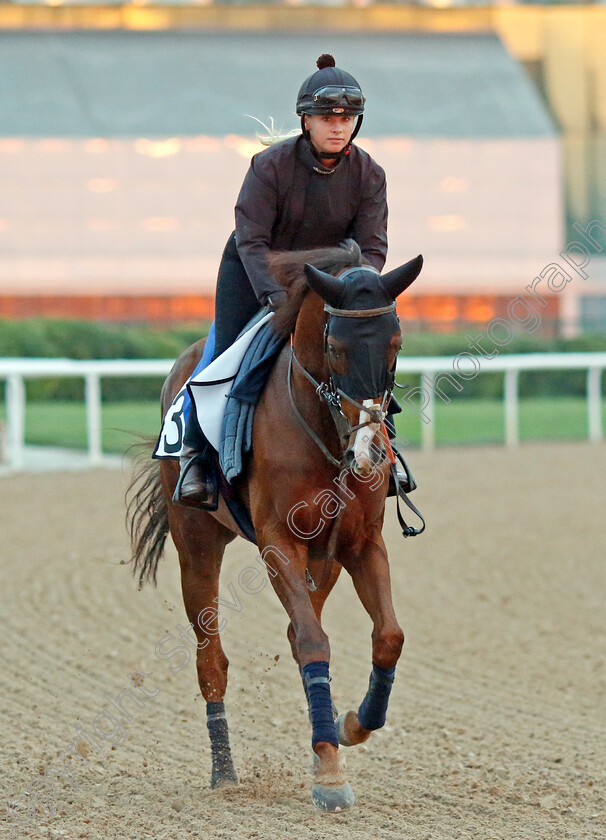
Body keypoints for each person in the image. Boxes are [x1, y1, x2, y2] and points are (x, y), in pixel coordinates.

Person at [175, 54, 397, 507]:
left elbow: (372, 247)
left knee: (369, 351)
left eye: (348, 118)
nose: (338, 126)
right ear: (306, 120)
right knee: (224, 351)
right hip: (254, 272)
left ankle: (384, 450)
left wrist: (360, 293)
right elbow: (251, 240)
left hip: (328, 282)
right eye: (327, 117)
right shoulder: (268, 166)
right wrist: (274, 296)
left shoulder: (370, 174)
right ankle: (195, 457)